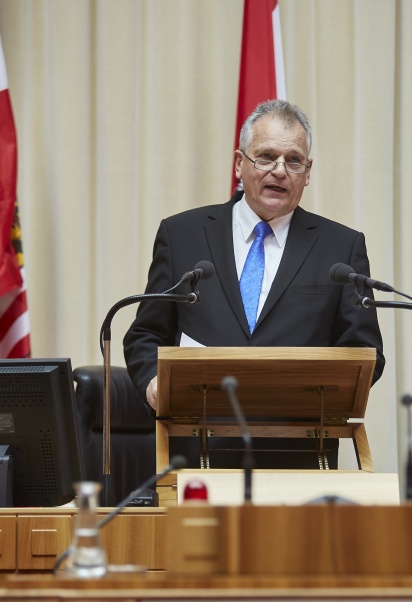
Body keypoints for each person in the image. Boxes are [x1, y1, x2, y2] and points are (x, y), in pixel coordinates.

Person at [124, 99, 385, 468]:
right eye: (265, 156)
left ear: (307, 172)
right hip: (197, 450)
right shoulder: (182, 235)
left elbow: (365, 352)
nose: (280, 170)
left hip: (301, 457)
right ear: (239, 164)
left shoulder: (340, 247)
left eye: (293, 160)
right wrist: (154, 382)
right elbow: (145, 334)